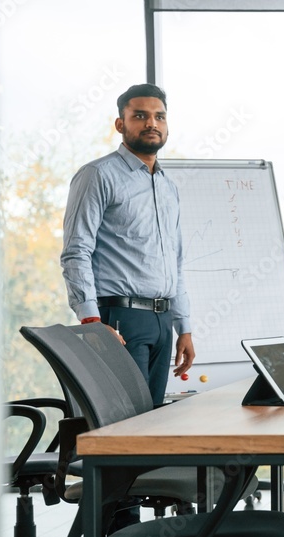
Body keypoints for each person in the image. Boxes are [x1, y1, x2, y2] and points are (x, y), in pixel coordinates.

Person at [61, 83, 195, 407]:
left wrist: (184, 327)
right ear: (120, 124)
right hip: (119, 318)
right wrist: (91, 322)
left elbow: (174, 260)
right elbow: (76, 251)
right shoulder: (98, 175)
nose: (152, 123)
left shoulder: (167, 186)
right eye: (140, 116)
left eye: (159, 117)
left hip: (162, 322)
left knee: (150, 426)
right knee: (123, 426)